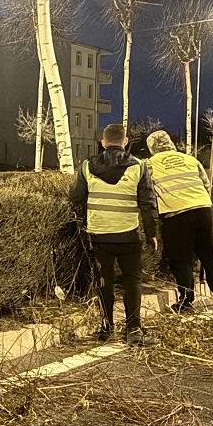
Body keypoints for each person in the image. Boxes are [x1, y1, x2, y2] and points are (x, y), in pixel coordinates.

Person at [68, 123, 158, 345]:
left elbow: (76, 197)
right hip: (127, 235)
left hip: (98, 235)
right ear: (125, 142)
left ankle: (106, 328)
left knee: (104, 280)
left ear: (103, 143)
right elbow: (148, 204)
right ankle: (134, 330)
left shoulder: (87, 166)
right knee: (132, 281)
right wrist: (152, 234)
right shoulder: (138, 166)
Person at [146, 130, 213, 314]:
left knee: (181, 260)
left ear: (152, 148)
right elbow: (207, 185)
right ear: (171, 143)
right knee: (209, 255)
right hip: (203, 211)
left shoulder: (149, 165)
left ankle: (186, 300)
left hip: (175, 215)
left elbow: (146, 191)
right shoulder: (191, 160)